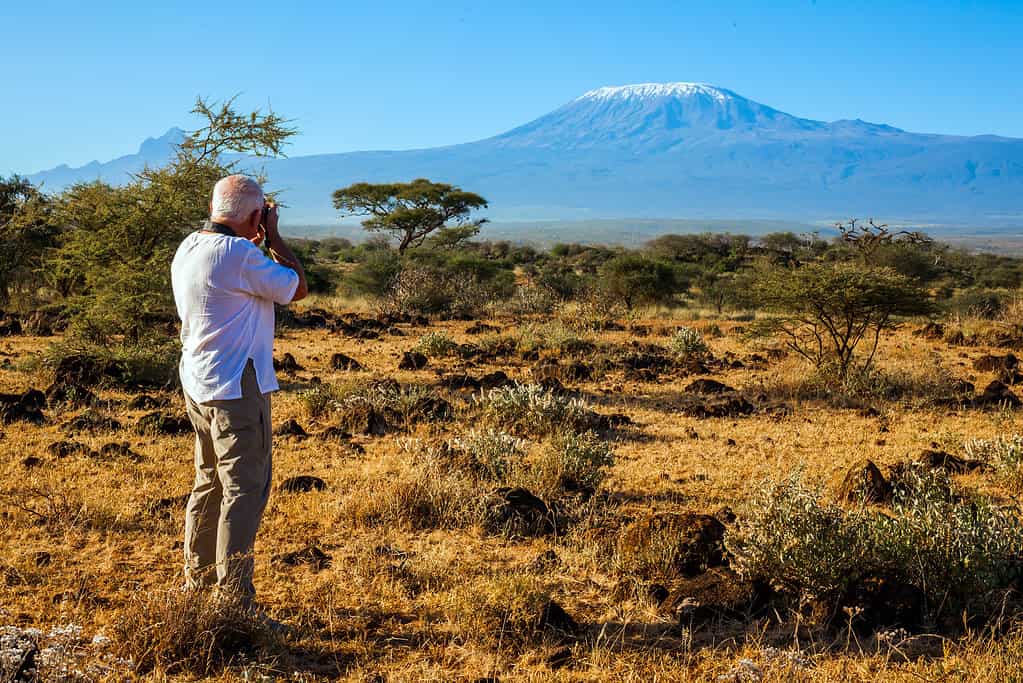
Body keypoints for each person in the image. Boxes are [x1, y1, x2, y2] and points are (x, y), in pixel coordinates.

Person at [171, 174, 308, 606]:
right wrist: (275, 236)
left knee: (209, 482)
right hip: (236, 386)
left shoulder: (189, 246)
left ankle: (198, 585)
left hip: (198, 382)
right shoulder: (239, 254)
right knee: (245, 490)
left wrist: (255, 229)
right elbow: (296, 287)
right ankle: (234, 601)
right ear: (255, 215)